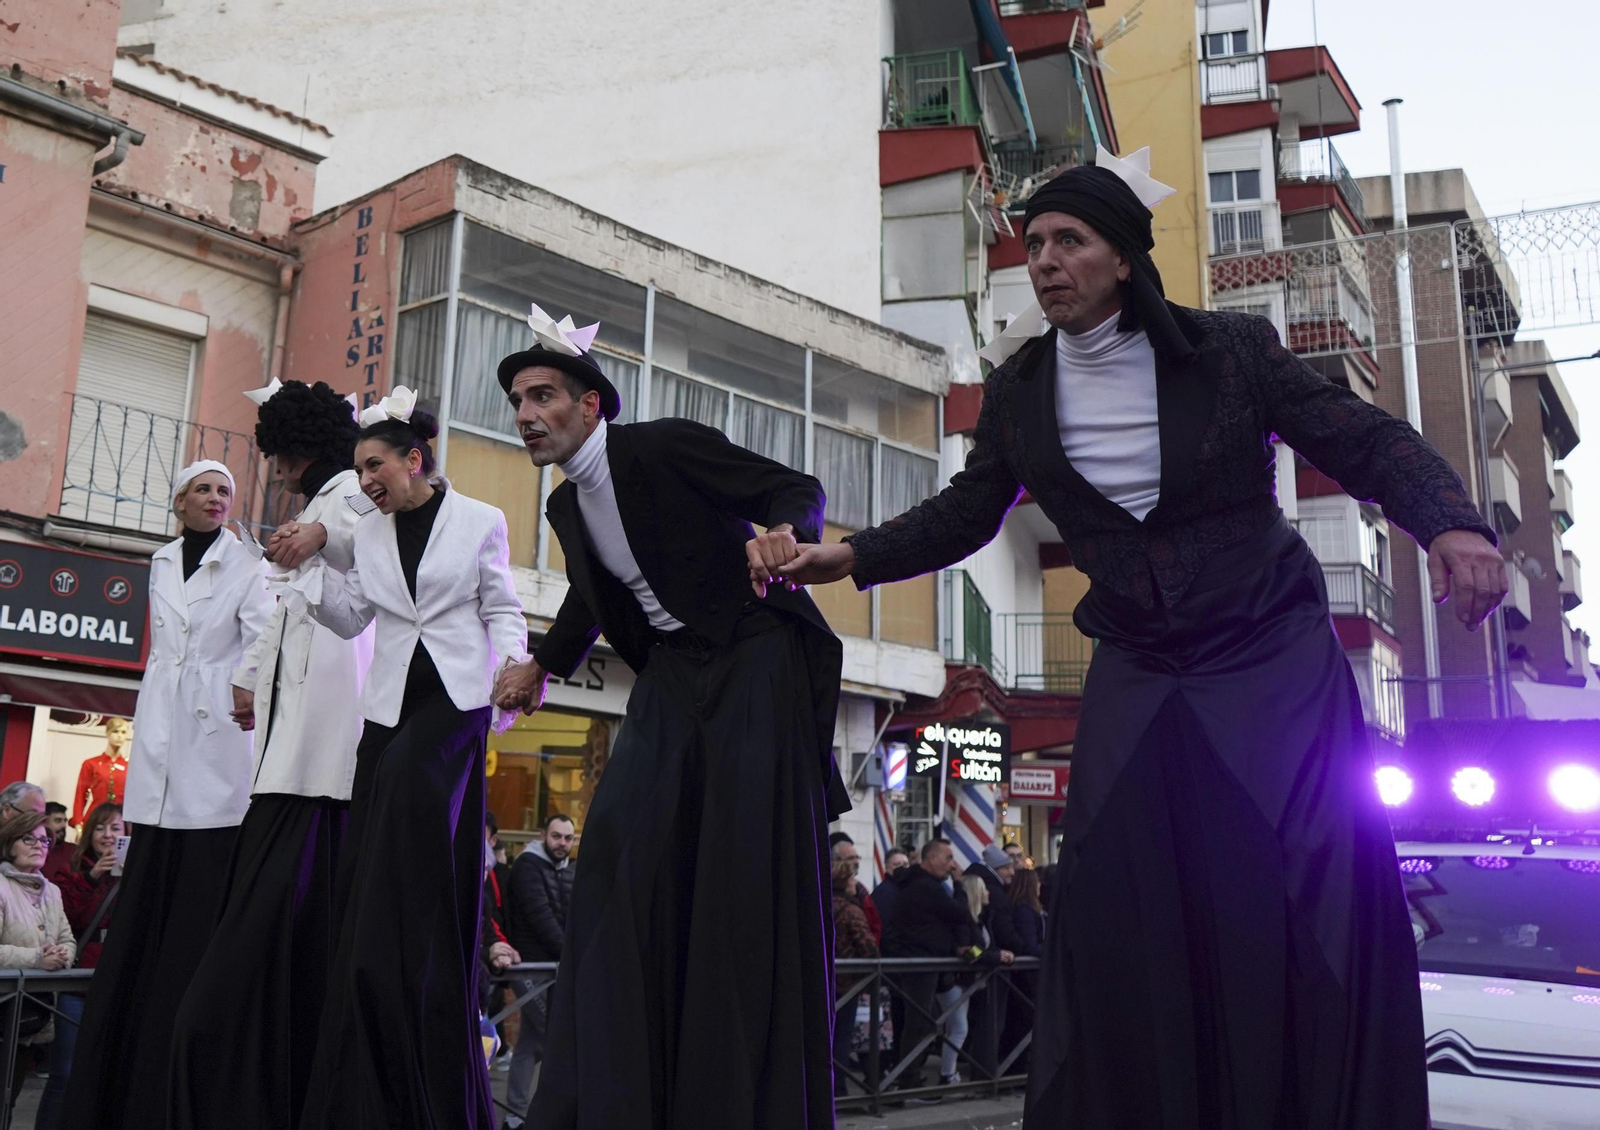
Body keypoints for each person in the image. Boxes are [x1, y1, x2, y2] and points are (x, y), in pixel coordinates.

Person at [779, 148, 1508, 1130]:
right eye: (1031, 243)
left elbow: (1361, 437)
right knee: (1114, 884)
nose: (1043, 260)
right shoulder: (1022, 386)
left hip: (1264, 646)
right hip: (1136, 651)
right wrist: (850, 556)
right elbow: (967, 511)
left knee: (1290, 879)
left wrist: (1451, 521)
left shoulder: (1227, 353)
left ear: (1121, 257)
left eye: (1067, 240)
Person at [489, 306, 847, 1130]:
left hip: (755, 653)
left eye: (542, 395)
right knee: (617, 845)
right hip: (674, 675)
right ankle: (628, 1087)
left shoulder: (659, 446)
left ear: (591, 405)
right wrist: (543, 663)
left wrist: (787, 534)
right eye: (515, 401)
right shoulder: (569, 510)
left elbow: (793, 488)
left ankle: (739, 1091)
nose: (525, 415)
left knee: (738, 863)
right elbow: (593, 594)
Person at [291, 389, 528, 1130]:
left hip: (457, 701)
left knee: (405, 789)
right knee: (377, 803)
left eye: (373, 466)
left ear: (414, 459)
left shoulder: (481, 521)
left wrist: (516, 665)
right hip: (388, 705)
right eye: (359, 469)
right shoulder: (369, 534)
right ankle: (376, 940)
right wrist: (307, 574)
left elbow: (502, 607)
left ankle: (414, 923)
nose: (364, 481)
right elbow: (355, 614)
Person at [168, 379, 375, 1130]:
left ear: (297, 450)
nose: (278, 473)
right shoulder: (313, 509)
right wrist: (253, 679)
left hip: (325, 751)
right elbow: (288, 609)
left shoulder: (347, 499)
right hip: (292, 751)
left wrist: (317, 546)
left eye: (281, 458)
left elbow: (365, 577)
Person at [63, 460, 273, 1130]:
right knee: (152, 818)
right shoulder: (160, 561)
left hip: (216, 710)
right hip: (163, 706)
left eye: (225, 492)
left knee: (209, 823)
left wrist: (242, 683)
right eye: (205, 490)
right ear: (180, 501)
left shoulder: (247, 563)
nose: (216, 499)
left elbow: (264, 631)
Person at [36, 802, 123, 1130]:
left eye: (115, 828)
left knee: (108, 1071)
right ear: (89, 832)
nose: (107, 835)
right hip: (77, 984)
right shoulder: (71, 868)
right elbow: (69, 919)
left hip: (116, 981)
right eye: (100, 828)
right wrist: (92, 875)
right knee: (64, 1073)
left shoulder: (139, 874)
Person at [881, 839, 978, 1095]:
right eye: (948, 858)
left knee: (924, 1022)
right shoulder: (926, 887)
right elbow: (958, 914)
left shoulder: (919, 884)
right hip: (922, 964)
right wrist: (958, 884)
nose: (951, 865)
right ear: (932, 858)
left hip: (930, 962)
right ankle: (907, 1078)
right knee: (919, 1023)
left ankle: (908, 1076)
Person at [503, 813, 576, 1130]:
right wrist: (573, 955)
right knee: (553, 1039)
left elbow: (570, 916)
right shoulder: (528, 866)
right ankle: (544, 1116)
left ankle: (514, 1118)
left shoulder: (566, 870)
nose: (562, 844)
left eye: (568, 838)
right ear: (543, 835)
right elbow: (541, 916)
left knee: (531, 1043)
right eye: (557, 836)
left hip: (551, 968)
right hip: (528, 967)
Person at [0, 810, 75, 1111]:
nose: (38, 845)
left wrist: (62, 955)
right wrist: (37, 958)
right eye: (28, 838)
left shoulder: (52, 892)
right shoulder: (2, 887)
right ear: (9, 844)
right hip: (4, 1007)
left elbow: (68, 940)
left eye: (45, 840)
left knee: (8, 1102)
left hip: (30, 1017)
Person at [831, 858, 879, 1096]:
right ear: (844, 882)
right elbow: (869, 949)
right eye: (851, 878)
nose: (855, 883)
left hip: (823, 981)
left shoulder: (819, 905)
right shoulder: (851, 910)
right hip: (846, 983)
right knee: (841, 1037)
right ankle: (838, 1087)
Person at [69, 717, 130, 828]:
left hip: (121, 820)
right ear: (107, 733)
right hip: (95, 818)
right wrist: (78, 822)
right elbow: (81, 794)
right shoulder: (91, 764)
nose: (120, 736)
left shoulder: (129, 766)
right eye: (115, 731)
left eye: (123, 732)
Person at [830, 831, 882, 944]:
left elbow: (874, 923)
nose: (856, 862)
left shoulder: (861, 889)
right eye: (850, 858)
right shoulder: (827, 892)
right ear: (836, 861)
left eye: (857, 857)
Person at [872, 847, 911, 933]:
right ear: (887, 867)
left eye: (905, 864)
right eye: (897, 865)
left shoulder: (910, 889)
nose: (902, 868)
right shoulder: (882, 893)